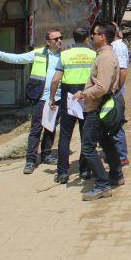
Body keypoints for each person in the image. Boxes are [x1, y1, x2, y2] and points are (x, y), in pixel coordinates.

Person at [0, 30, 62, 174]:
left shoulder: (65, 55)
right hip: (40, 97)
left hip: (56, 98)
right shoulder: (38, 53)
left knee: (50, 128)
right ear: (48, 42)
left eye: (60, 38)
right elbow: (17, 59)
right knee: (36, 129)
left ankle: (46, 154)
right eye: (55, 38)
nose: (59, 41)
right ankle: (31, 160)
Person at [75, 23, 122, 201]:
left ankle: (102, 185)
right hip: (99, 105)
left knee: (88, 148)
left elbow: (101, 87)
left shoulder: (105, 58)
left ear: (102, 36)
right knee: (106, 141)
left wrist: (84, 93)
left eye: (94, 34)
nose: (91, 36)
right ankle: (116, 174)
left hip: (96, 106)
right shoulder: (104, 55)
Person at [49, 27, 97, 184]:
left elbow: (56, 79)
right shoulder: (93, 54)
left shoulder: (65, 54)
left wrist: (51, 98)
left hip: (69, 98)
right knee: (86, 135)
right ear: (87, 38)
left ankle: (62, 172)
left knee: (65, 135)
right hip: (87, 96)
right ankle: (84, 170)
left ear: (73, 38)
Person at [110, 21, 130, 167]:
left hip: (115, 93)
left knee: (116, 124)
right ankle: (115, 153)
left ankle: (121, 156)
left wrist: (116, 90)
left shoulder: (118, 47)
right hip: (112, 92)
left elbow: (123, 71)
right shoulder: (113, 46)